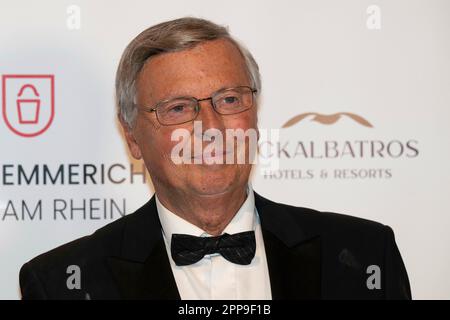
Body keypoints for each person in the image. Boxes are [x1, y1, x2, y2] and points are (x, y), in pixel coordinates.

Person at [19, 17, 411, 300]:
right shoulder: (61, 283)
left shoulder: (363, 254)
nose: (211, 127)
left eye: (229, 99)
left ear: (255, 112)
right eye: (177, 108)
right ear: (132, 138)